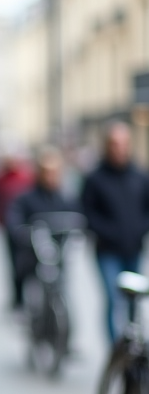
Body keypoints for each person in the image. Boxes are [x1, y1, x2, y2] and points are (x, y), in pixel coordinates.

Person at [81, 122, 149, 342]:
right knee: (113, 299)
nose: (119, 149)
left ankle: (132, 348)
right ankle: (115, 351)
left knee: (134, 301)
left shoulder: (140, 176)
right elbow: (87, 214)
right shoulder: (95, 179)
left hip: (133, 250)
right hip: (107, 251)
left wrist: (139, 229)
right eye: (114, 144)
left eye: (123, 144)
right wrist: (108, 232)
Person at [6, 147, 79, 301]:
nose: (50, 177)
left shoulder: (66, 198)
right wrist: (23, 232)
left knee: (63, 287)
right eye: (46, 172)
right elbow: (14, 220)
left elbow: (78, 219)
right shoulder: (26, 198)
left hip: (59, 254)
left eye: (54, 172)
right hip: (34, 256)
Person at [0, 154, 34, 307]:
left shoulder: (26, 178)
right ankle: (17, 297)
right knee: (12, 263)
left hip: (26, 227)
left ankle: (26, 297)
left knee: (25, 263)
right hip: (8, 227)